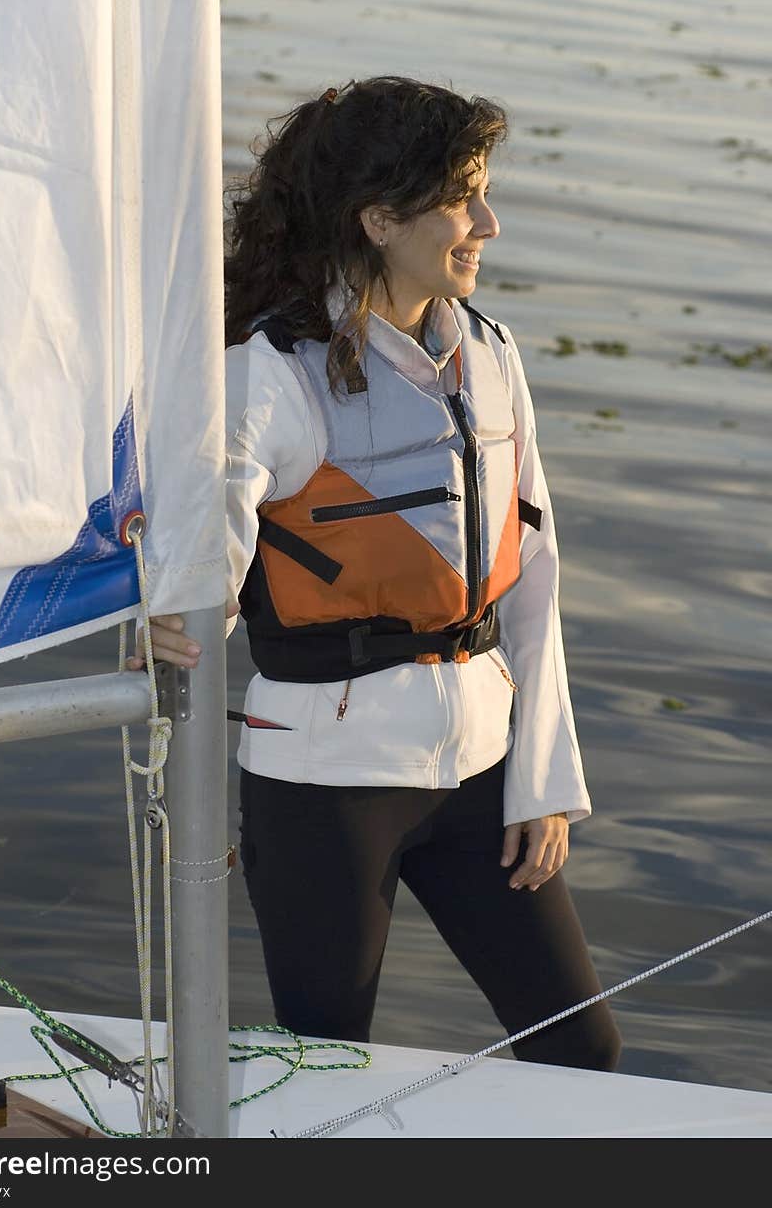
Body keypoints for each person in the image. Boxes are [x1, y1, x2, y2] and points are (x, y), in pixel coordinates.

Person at [127, 75, 621, 1071]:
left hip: (481, 771)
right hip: (324, 786)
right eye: (462, 196)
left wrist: (545, 779)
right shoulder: (269, 373)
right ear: (381, 218)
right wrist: (167, 612)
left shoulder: (489, 351)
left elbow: (533, 572)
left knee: (581, 1050)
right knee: (323, 1070)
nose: (487, 220)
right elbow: (196, 558)